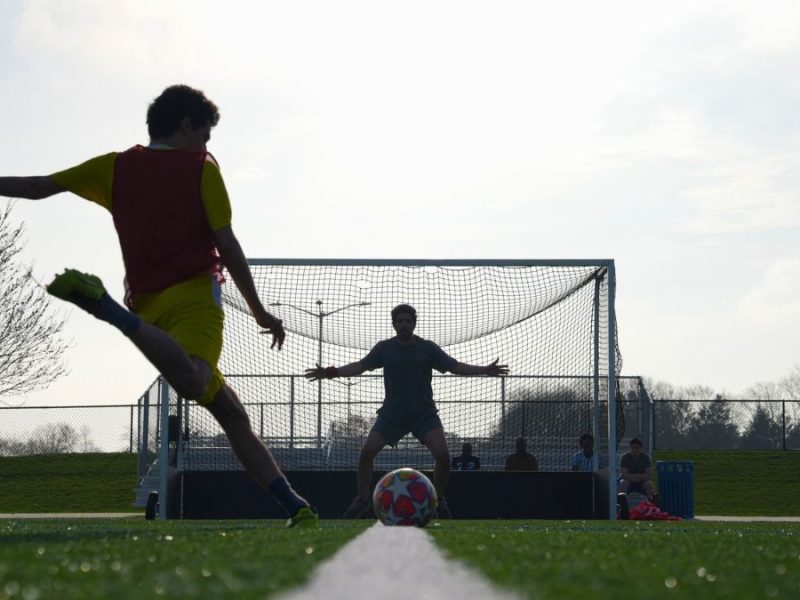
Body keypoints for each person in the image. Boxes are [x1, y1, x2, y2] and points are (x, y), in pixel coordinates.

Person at [0, 85, 317, 528]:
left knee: (230, 412)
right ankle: (108, 310)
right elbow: (226, 243)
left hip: (148, 305)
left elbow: (37, 188)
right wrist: (259, 311)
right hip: (191, 298)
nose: (208, 143)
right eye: (205, 132)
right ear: (187, 125)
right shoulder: (201, 167)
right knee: (193, 381)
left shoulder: (113, 167)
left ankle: (293, 505)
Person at [305, 304, 508, 518]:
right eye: (399, 321)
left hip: (424, 415)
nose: (404, 324)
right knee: (366, 453)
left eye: (408, 321)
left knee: (443, 456)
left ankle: (438, 501)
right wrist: (330, 372)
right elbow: (360, 366)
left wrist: (484, 370)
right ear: (393, 324)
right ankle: (363, 499)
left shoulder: (427, 348)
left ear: (414, 323)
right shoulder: (384, 348)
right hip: (392, 415)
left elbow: (455, 367)